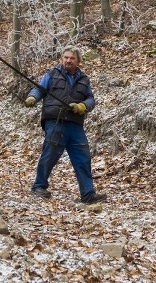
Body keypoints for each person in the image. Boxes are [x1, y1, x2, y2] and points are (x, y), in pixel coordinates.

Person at [24, 46, 107, 204]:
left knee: (83, 158)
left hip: (75, 124)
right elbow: (39, 89)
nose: (68, 60)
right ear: (62, 59)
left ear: (78, 61)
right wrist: (32, 98)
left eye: (72, 58)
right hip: (55, 121)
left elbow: (91, 99)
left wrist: (82, 106)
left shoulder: (84, 79)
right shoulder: (52, 74)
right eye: (66, 57)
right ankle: (39, 186)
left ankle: (88, 194)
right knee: (49, 155)